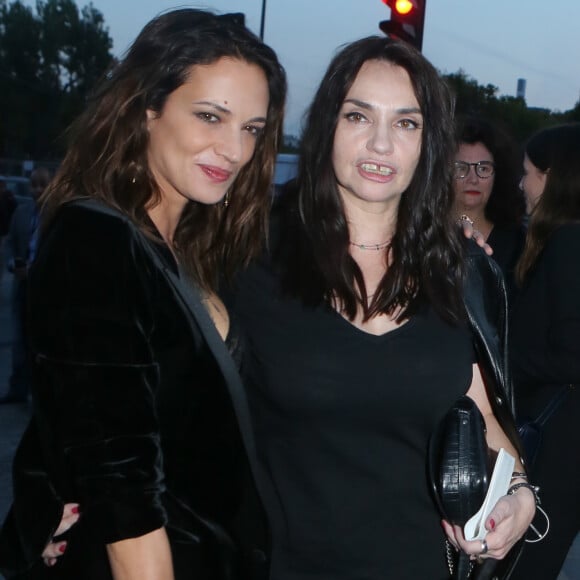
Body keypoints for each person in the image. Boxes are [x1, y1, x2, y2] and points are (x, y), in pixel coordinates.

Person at [227, 36, 536, 579]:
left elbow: (485, 416)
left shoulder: (460, 270)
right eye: (358, 116)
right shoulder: (253, 257)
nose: (380, 143)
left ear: (429, 143)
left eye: (406, 123)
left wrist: (519, 495)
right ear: (328, 126)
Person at [0, 8, 286, 580]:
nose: (233, 149)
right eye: (210, 116)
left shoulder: (188, 245)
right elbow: (123, 494)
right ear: (147, 109)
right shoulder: (97, 238)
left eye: (251, 129)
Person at [509, 123, 580, 580]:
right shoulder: (557, 241)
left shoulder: (568, 243)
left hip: (556, 444)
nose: (520, 183)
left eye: (528, 172)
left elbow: (575, 355)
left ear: (551, 178)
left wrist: (500, 358)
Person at [452, 115, 526, 301]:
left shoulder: (520, 243)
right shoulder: (420, 235)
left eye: (483, 169)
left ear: (498, 175)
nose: (473, 179)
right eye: (461, 168)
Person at [0, 167, 52, 405]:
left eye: (42, 184)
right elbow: (10, 242)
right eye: (34, 185)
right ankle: (17, 388)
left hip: (44, 286)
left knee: (41, 338)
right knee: (19, 337)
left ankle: (40, 391)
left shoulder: (57, 214)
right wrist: (13, 264)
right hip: (21, 283)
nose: (37, 190)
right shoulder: (21, 212)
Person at [0, 177, 17, 286]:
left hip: (3, 233)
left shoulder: (8, 197)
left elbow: (13, 212)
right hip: (4, 231)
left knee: (1, 257)